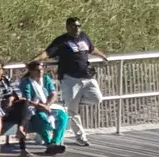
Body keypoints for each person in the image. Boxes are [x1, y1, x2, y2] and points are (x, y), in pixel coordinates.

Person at [31, 16, 109, 147]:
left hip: (87, 77)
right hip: (70, 79)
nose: (77, 29)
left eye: (79, 26)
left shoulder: (84, 36)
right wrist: (34, 60)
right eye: (74, 26)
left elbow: (91, 48)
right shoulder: (61, 41)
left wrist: (102, 56)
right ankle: (80, 137)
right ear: (67, 27)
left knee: (97, 99)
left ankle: (70, 104)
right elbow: (47, 53)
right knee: (72, 111)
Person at [0, 59, 34, 157]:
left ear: (2, 70)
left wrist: (11, 99)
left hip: (9, 109)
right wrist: (4, 102)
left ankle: (20, 130)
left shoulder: (7, 79)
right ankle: (22, 147)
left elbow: (18, 93)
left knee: (25, 105)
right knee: (25, 116)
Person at [19, 61, 69, 156]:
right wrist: (40, 106)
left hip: (46, 105)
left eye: (41, 70)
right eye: (37, 70)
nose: (40, 72)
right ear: (31, 71)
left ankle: (55, 142)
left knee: (63, 116)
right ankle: (49, 144)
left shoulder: (46, 79)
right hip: (33, 107)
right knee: (42, 118)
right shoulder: (26, 82)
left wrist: (47, 104)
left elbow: (53, 94)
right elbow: (27, 100)